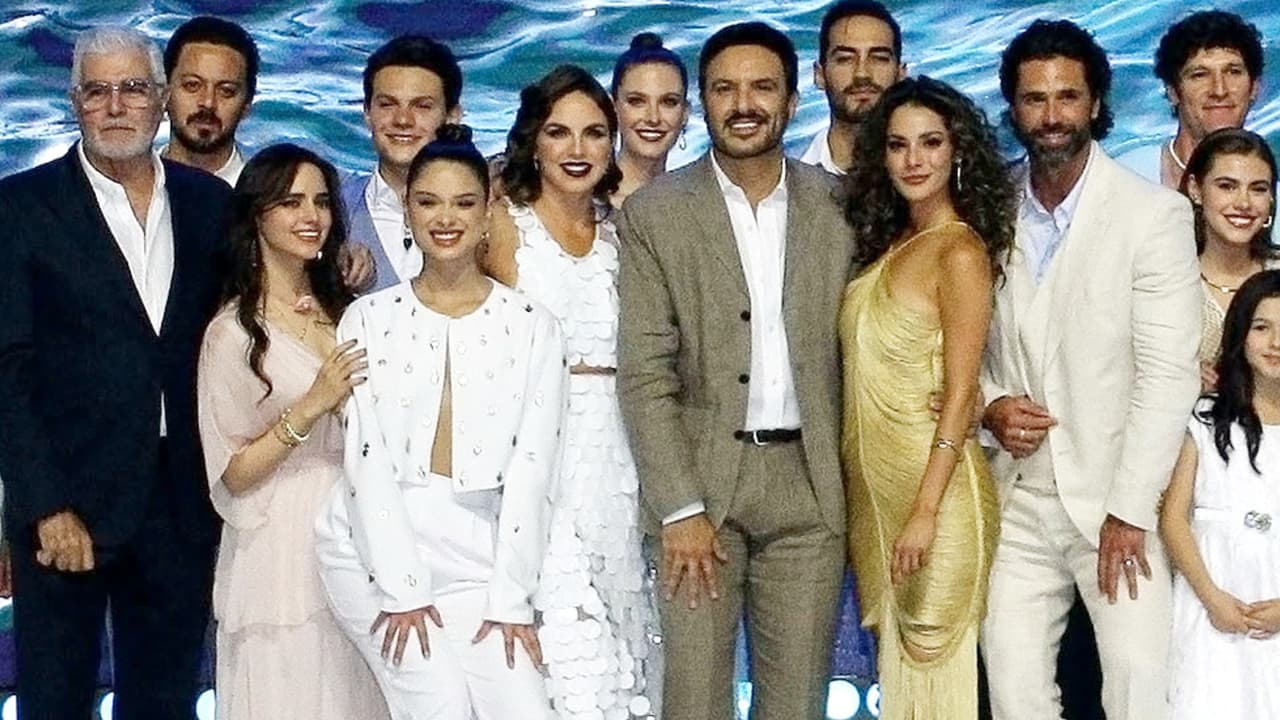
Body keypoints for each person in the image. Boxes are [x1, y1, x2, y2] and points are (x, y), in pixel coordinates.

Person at [617, 22, 855, 719]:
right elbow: (646, 373)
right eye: (725, 89)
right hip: (700, 490)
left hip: (810, 491)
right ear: (704, 102)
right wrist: (679, 509)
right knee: (694, 700)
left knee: (797, 705)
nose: (744, 104)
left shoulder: (842, 206)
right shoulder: (656, 214)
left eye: (762, 88)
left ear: (792, 100)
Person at [0, 26, 230, 719]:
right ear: (74, 102)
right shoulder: (19, 208)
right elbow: (7, 369)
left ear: (160, 100)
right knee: (55, 701)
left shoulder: (209, 204)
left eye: (132, 88)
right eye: (97, 91)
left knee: (165, 701)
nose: (115, 106)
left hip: (180, 503)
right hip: (67, 503)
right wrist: (43, 505)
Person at [979, 19, 1201, 720]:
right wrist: (990, 405)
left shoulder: (1152, 215)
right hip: (1015, 498)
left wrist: (1130, 511)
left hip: (1117, 499)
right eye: (1034, 98)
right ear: (1014, 108)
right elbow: (955, 344)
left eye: (1067, 96)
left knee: (1138, 686)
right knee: (1013, 690)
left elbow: (1168, 375)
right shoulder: (987, 207)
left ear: (1097, 103)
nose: (1051, 115)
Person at [315, 124, 564, 720]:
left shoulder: (533, 325)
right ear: (408, 210)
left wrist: (512, 600)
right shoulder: (367, 319)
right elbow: (366, 461)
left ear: (487, 212)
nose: (445, 218)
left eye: (463, 203)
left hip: (479, 550)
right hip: (371, 545)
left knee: (525, 709)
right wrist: (401, 587)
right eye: (428, 202)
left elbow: (534, 468)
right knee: (438, 704)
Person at [485, 64, 660, 718]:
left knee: (625, 642)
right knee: (568, 646)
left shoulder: (626, 233)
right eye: (559, 132)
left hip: (618, 456)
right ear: (534, 140)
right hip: (536, 457)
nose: (578, 148)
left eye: (594, 133)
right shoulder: (502, 226)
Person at [840, 76, 1013, 719]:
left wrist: (926, 510)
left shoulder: (959, 251)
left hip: (935, 500)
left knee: (938, 680)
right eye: (899, 145)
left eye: (931, 142)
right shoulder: (892, 245)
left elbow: (963, 392)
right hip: (881, 493)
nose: (914, 160)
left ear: (957, 151)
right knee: (903, 684)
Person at [196, 144, 388, 720]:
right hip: (281, 539)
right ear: (258, 216)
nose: (312, 216)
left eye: (322, 202)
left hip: (362, 523)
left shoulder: (347, 311)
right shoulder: (232, 333)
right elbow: (232, 471)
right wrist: (309, 408)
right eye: (291, 202)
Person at [1159, 269, 1280, 720]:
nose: (1275, 343)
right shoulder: (1207, 419)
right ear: (1240, 333)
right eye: (1262, 327)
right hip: (1211, 605)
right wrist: (1211, 597)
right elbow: (1174, 519)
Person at [342, 35, 463, 292]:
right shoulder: (332, 209)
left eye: (422, 106)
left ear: (452, 116)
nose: (403, 120)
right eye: (387, 104)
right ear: (367, 113)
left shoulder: (485, 212)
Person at [1116, 10, 1264, 189]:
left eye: (1233, 72)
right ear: (1173, 91)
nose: (1219, 90)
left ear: (1254, 87)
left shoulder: (1273, 197)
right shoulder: (1127, 177)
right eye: (1200, 75)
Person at [1179, 128, 1278, 391]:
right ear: (1195, 189)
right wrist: (1178, 378)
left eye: (1258, 189)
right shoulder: (1166, 279)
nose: (1243, 203)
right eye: (1227, 186)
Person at [801, 0, 905, 175]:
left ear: (901, 74)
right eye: (845, 59)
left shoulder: (930, 173)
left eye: (879, 58)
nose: (862, 74)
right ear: (819, 75)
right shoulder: (791, 179)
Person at [161, 15, 258, 185]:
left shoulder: (260, 195)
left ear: (246, 105)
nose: (208, 102)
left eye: (226, 91)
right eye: (192, 85)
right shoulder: (123, 184)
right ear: (163, 93)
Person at [610, 33, 690, 207]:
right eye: (636, 101)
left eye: (668, 102)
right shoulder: (584, 204)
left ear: (685, 113)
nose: (653, 118)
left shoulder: (696, 204)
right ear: (613, 108)